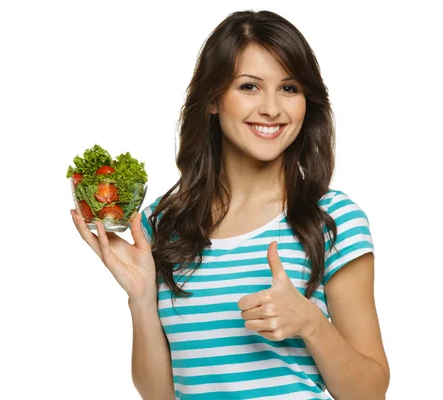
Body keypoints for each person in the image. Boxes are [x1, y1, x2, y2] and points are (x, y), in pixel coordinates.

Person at [70, 9, 389, 400]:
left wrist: (310, 323)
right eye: (250, 87)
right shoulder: (161, 224)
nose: (272, 108)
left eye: (289, 88)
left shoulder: (332, 219)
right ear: (213, 100)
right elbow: (158, 394)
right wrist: (139, 299)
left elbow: (371, 392)